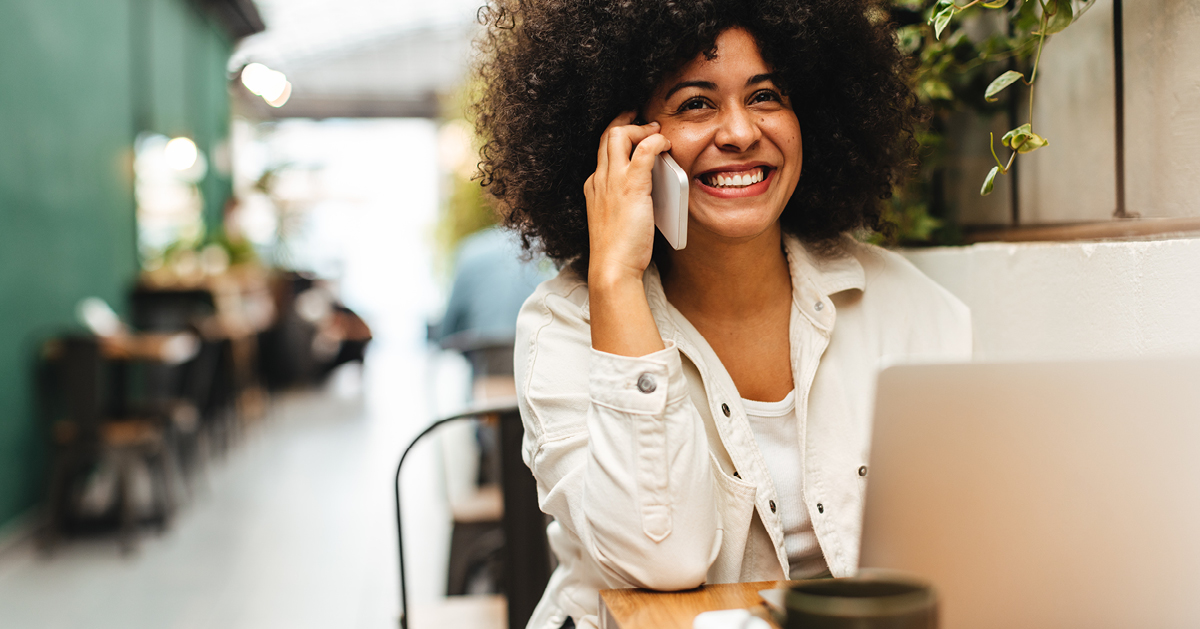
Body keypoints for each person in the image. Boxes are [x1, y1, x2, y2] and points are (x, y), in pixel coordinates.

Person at [472, 1, 972, 627]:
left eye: (765, 96)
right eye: (695, 104)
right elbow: (661, 559)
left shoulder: (908, 306)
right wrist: (616, 279)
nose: (739, 132)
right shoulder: (564, 327)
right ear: (621, 142)